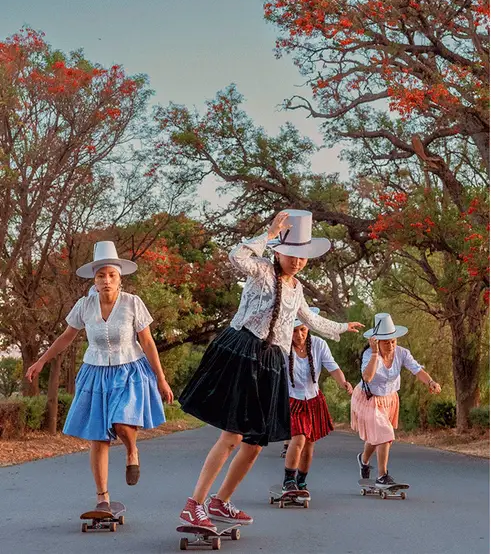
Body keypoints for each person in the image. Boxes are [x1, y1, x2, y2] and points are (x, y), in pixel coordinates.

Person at [176, 210, 363, 531]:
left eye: (302, 256)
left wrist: (343, 326)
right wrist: (268, 232)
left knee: (255, 441)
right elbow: (237, 256)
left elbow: (311, 319)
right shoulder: (261, 270)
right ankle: (194, 505)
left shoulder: (298, 288)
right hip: (244, 352)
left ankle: (221, 501)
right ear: (278, 251)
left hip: (272, 363)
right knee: (233, 434)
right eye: (292, 254)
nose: (297, 261)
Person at [25, 241, 173, 512]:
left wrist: (160, 378)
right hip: (94, 372)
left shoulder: (132, 303)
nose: (106, 280)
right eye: (101, 275)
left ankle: (132, 451)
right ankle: (102, 498)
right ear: (94, 280)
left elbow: (148, 343)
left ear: (120, 279)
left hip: (129, 370)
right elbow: (66, 337)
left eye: (111, 275)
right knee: (98, 437)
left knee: (121, 423)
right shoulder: (85, 305)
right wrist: (41, 361)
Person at [351, 313, 441, 489]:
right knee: (384, 434)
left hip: (390, 399)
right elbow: (367, 378)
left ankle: (363, 460)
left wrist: (430, 382)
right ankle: (382, 476)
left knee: (376, 436)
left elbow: (417, 369)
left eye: (393, 341)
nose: (391, 345)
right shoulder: (370, 355)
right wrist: (376, 353)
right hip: (369, 399)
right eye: (386, 342)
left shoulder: (402, 353)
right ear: (376, 341)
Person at [280, 307, 353, 493]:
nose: (299, 335)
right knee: (298, 439)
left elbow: (333, 367)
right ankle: (289, 480)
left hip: (313, 400)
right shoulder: (282, 346)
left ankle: (302, 480)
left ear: (309, 327)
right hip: (292, 399)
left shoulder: (319, 345)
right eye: (294, 330)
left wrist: (343, 382)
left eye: (302, 329)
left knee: (309, 443)